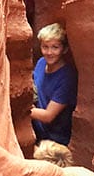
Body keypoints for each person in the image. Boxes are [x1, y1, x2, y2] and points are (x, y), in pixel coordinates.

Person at [31, 23, 77, 165]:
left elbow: (48, 116)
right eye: (45, 47)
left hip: (56, 142)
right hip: (37, 137)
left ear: (64, 49)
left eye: (55, 47)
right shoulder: (40, 64)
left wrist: (19, 108)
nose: (49, 52)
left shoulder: (67, 77)